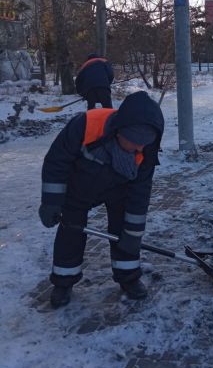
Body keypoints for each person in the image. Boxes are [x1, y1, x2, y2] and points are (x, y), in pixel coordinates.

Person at [39, 91, 164, 308]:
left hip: (120, 190)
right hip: (79, 187)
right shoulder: (85, 125)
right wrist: (51, 201)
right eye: (135, 143)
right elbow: (56, 162)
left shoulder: (147, 151)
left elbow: (140, 195)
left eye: (146, 144)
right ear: (119, 132)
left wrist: (133, 234)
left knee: (124, 230)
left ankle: (129, 278)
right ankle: (63, 281)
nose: (140, 149)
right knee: (71, 230)